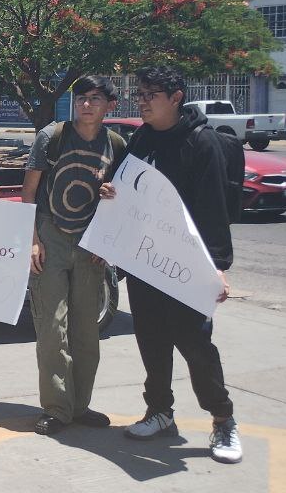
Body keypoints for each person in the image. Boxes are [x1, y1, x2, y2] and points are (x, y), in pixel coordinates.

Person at [100, 66, 241, 464]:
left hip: (187, 265)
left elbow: (214, 209)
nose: (141, 101)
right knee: (152, 341)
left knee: (196, 345)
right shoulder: (141, 139)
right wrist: (110, 190)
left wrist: (218, 267)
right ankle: (160, 411)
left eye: (149, 94)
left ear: (175, 96)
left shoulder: (201, 143)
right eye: (139, 94)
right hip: (146, 262)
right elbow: (122, 185)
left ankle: (223, 418)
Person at [22, 76, 126, 435]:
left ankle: (80, 406)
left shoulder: (115, 145)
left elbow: (124, 201)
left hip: (91, 245)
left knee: (86, 332)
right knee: (52, 329)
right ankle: (56, 407)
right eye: (81, 97)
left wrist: (109, 233)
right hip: (51, 237)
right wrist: (33, 240)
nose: (86, 105)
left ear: (109, 105)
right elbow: (29, 193)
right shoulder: (52, 137)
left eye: (95, 98)